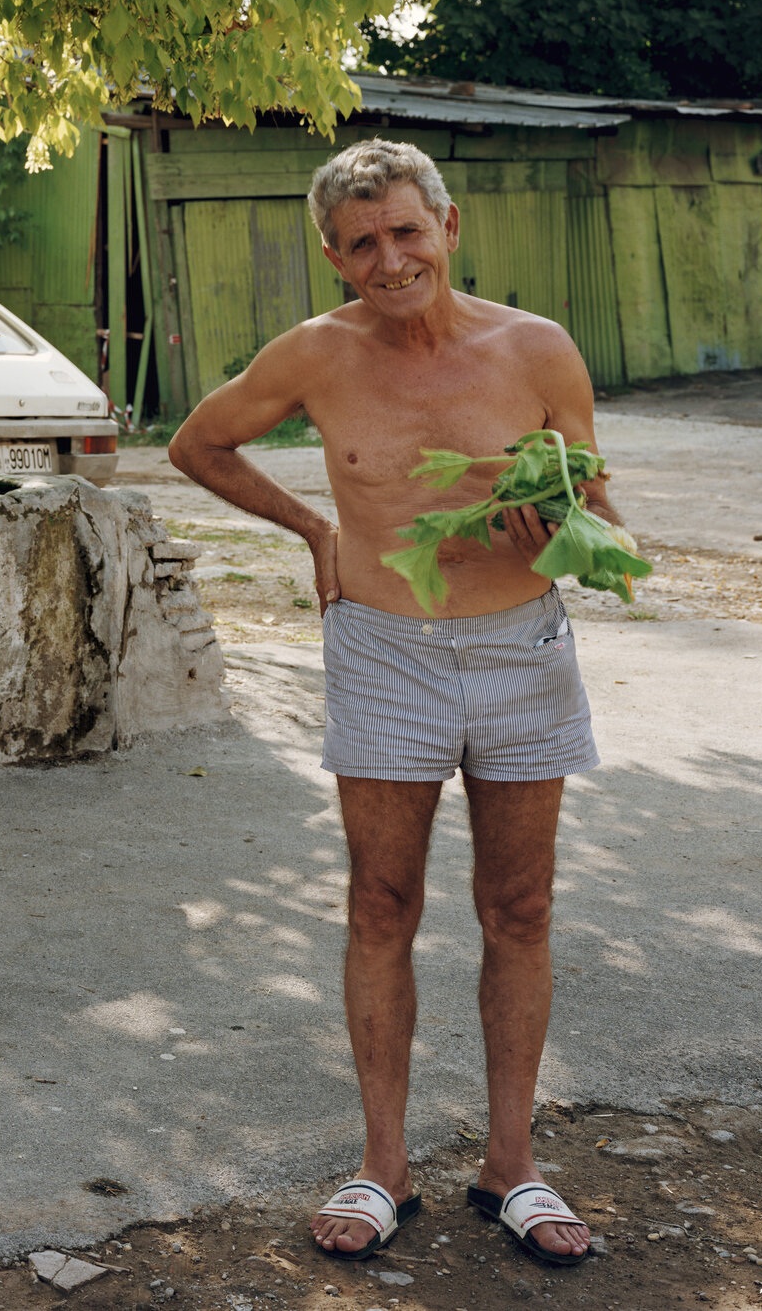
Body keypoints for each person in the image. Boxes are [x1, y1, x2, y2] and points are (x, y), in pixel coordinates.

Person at [167, 138, 617, 1271]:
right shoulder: (314, 355)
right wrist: (314, 528)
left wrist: (558, 527)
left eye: (406, 230)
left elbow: (600, 505)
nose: (389, 256)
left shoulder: (538, 347)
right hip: (380, 652)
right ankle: (384, 1165)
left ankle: (511, 1163)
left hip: (523, 647)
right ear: (334, 254)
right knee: (381, 901)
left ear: (448, 226)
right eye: (362, 241)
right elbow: (197, 442)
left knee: (519, 904)